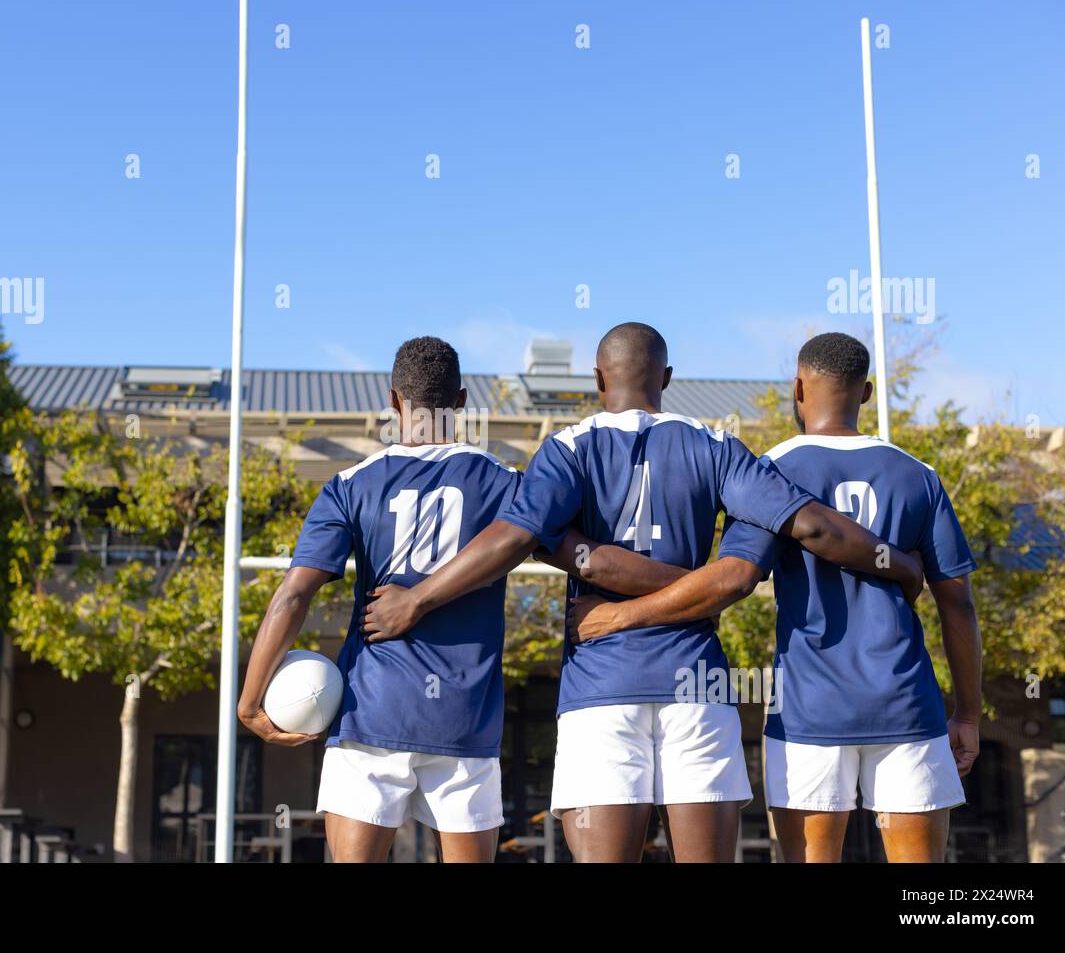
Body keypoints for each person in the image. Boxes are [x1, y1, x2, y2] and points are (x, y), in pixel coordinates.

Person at [364, 322, 924, 862]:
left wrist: (416, 600)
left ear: (598, 379)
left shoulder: (566, 449)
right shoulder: (718, 446)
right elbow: (802, 535)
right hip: (696, 685)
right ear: (668, 377)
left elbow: (514, 538)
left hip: (601, 687)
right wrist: (896, 563)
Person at [237, 335, 661, 862]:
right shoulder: (508, 484)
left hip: (372, 712)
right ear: (461, 401)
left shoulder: (348, 485)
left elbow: (292, 596)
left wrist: (251, 700)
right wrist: (688, 585)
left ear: (394, 401)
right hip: (464, 718)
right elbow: (587, 558)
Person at [572, 332, 981, 862]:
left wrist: (620, 614)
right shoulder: (918, 475)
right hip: (908, 705)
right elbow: (958, 604)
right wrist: (967, 713)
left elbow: (733, 577)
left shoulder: (771, 471)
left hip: (808, 707)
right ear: (867, 393)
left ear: (797, 388)